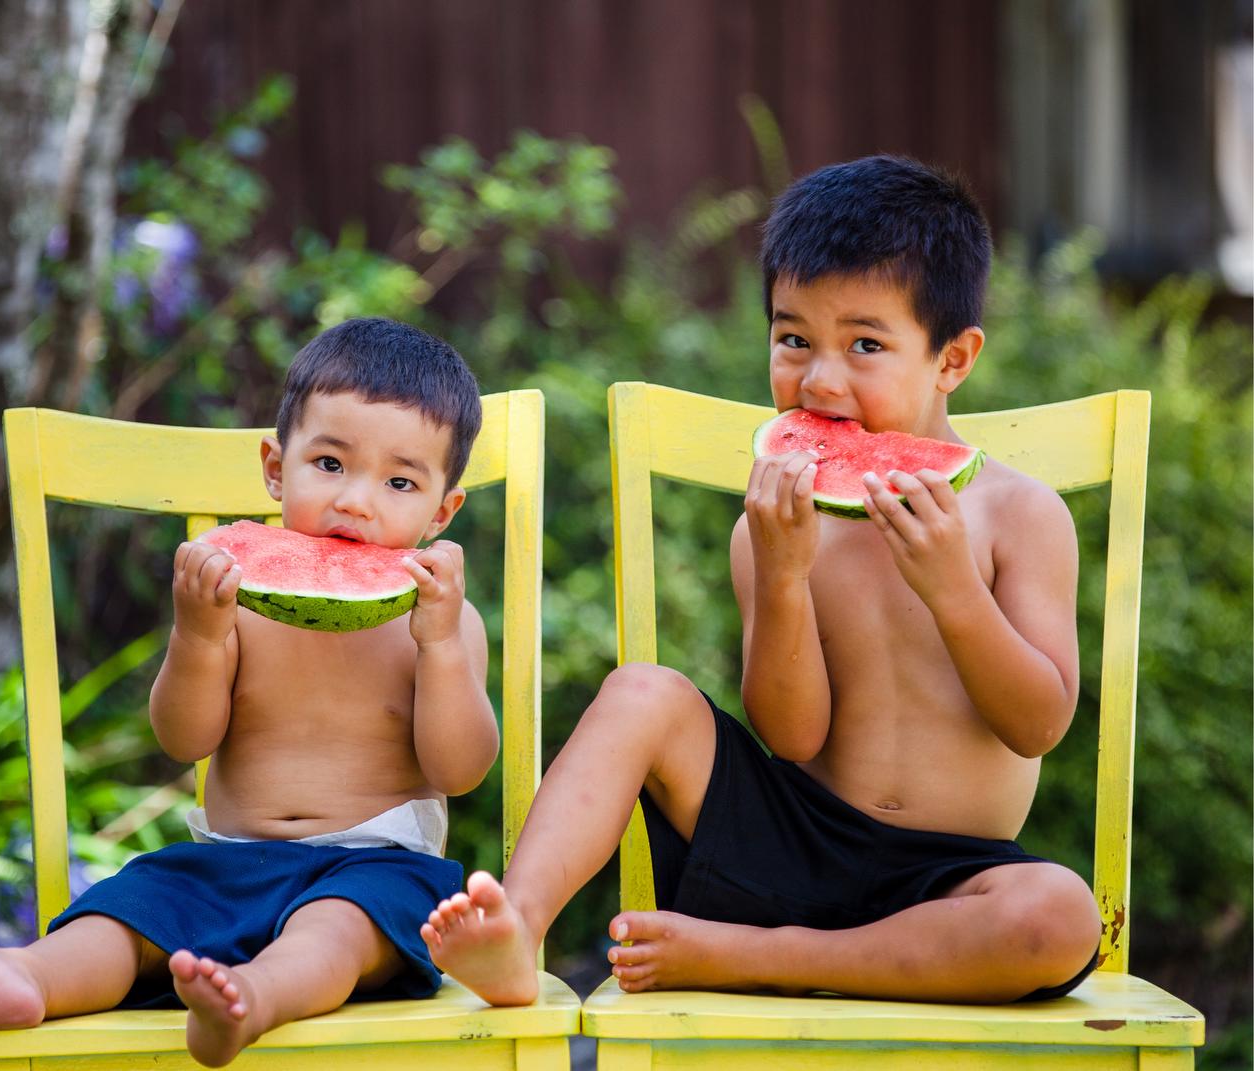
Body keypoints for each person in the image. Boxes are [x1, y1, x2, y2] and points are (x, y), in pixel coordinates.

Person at [423, 155, 1102, 1007]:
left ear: (952, 358)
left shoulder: (1022, 515)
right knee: (642, 692)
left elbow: (1037, 723)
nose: (820, 380)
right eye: (793, 339)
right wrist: (783, 577)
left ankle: (764, 955)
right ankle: (516, 927)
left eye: (865, 344)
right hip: (786, 845)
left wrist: (954, 591)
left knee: (1061, 915)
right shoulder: (771, 526)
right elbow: (793, 738)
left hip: (947, 881)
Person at [0, 318, 498, 1067]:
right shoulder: (238, 602)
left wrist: (439, 645)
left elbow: (460, 768)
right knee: (137, 903)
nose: (356, 501)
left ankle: (253, 998)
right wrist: (200, 637)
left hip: (378, 867)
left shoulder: (442, 622)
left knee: (336, 926)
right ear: (275, 465)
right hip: (227, 861)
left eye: (399, 481)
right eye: (329, 463)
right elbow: (184, 738)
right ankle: (24, 974)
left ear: (442, 511)